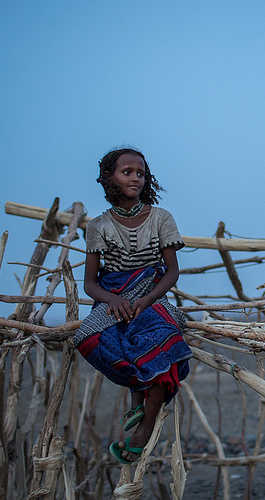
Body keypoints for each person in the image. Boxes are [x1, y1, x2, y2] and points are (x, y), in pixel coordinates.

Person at [74, 147, 192, 464]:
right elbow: (90, 283)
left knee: (161, 338)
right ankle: (137, 389)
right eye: (127, 172)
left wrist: (147, 299)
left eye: (140, 173)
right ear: (109, 178)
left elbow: (173, 271)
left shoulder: (161, 219)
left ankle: (145, 426)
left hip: (149, 293)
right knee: (89, 338)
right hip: (113, 296)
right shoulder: (97, 226)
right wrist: (113, 300)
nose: (135, 178)